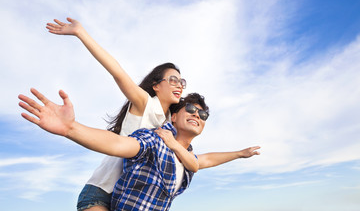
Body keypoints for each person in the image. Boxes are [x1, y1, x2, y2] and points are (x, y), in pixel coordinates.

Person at [45, 18, 261, 211]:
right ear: (156, 85)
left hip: (130, 196)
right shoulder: (145, 103)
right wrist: (82, 33)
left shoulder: (171, 126)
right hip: (103, 191)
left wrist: (240, 153)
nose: (179, 85)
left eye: (182, 82)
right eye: (173, 80)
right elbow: (117, 72)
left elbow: (200, 161)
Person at [18, 90, 259, 211]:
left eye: (203, 114)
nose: (197, 114)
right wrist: (71, 128)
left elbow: (205, 160)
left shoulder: (185, 161)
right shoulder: (155, 139)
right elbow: (119, 145)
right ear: (173, 117)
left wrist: (239, 153)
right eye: (191, 109)